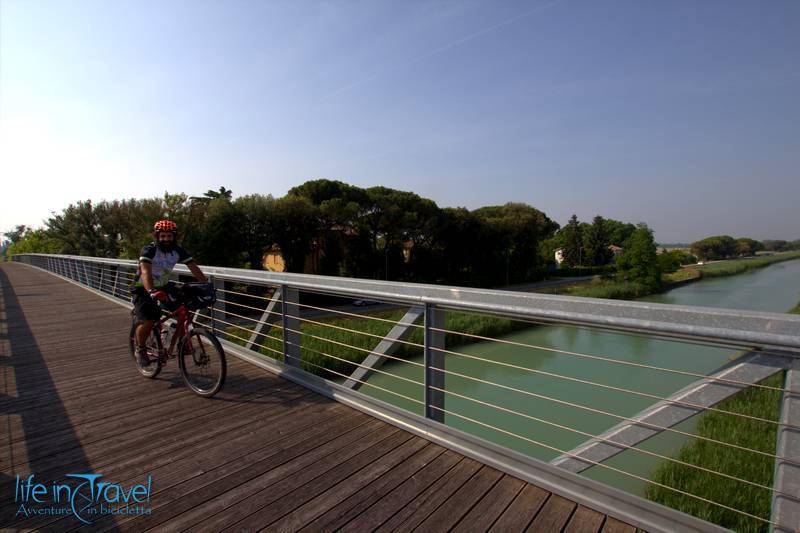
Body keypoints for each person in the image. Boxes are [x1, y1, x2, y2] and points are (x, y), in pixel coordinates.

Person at [132, 220, 207, 366]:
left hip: (164, 286)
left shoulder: (177, 250)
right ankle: (140, 349)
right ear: (157, 236)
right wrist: (151, 291)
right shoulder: (149, 250)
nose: (166, 240)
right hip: (143, 288)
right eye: (162, 236)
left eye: (169, 236)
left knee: (184, 310)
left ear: (174, 237)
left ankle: (180, 341)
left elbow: (193, 267)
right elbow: (146, 271)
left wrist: (205, 283)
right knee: (149, 319)